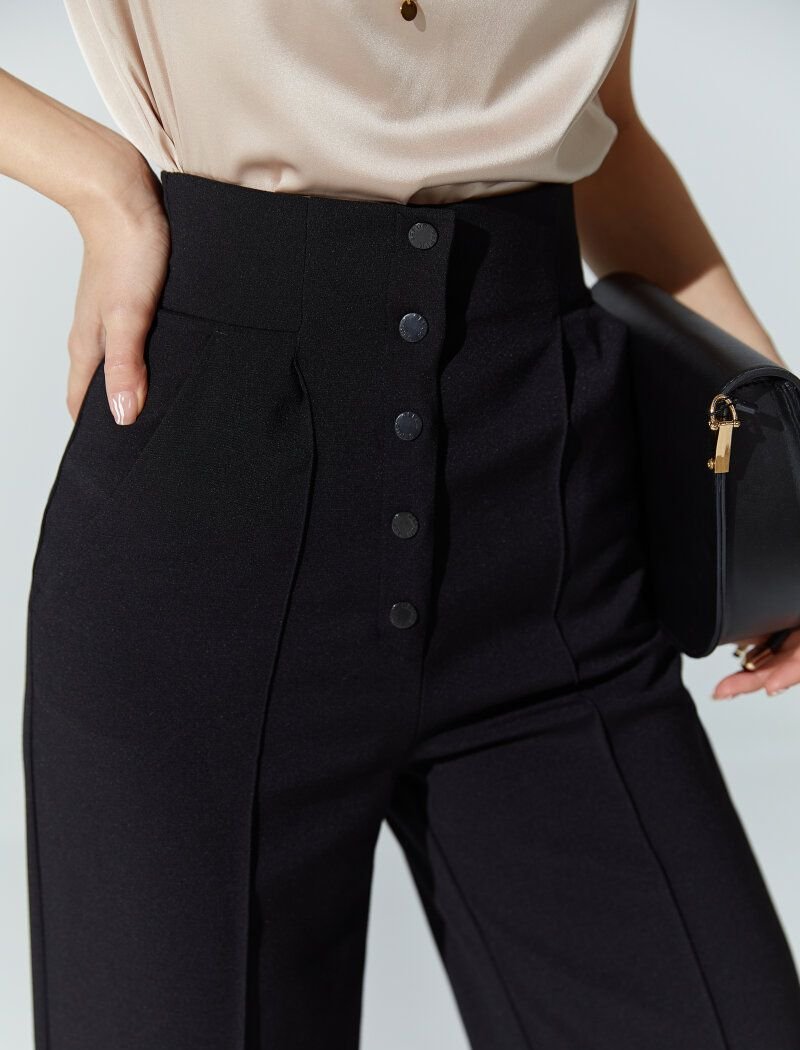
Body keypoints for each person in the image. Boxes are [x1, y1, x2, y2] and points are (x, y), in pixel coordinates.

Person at [3, 2, 799, 1047]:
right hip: (206, 543)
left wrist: (783, 481)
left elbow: (601, 129)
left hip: (553, 538)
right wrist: (100, 183)